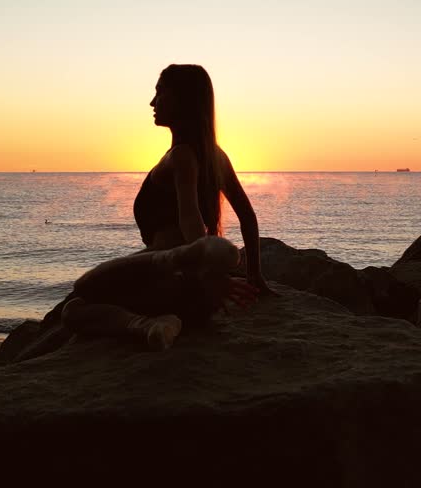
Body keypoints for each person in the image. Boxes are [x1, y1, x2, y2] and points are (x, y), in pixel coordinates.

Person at [61, 64, 271, 351]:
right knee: (89, 295)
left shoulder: (181, 156)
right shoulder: (215, 156)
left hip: (169, 277)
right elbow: (247, 215)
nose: (152, 102)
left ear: (181, 99)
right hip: (193, 298)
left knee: (77, 300)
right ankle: (161, 323)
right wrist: (254, 275)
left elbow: (191, 219)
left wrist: (204, 271)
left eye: (160, 92)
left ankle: (149, 317)